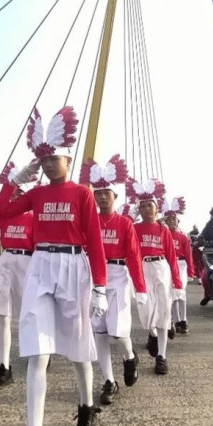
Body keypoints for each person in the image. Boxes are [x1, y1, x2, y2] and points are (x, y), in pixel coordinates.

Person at [0, 106, 106, 426]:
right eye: (43, 160)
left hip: (73, 266)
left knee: (78, 346)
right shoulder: (37, 194)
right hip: (40, 265)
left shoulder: (82, 194)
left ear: (68, 160)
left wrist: (99, 286)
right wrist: (12, 181)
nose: (48, 164)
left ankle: (86, 408)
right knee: (37, 352)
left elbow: (95, 242)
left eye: (54, 158)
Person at [80, 154, 145, 405]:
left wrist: (140, 287)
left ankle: (129, 357)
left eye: (107, 192)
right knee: (99, 332)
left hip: (118, 276)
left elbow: (133, 255)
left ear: (115, 196)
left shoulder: (124, 223)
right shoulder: (90, 222)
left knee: (118, 332)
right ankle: (109, 381)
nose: (103, 196)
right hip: (95, 278)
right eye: (98, 192)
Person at [0, 161, 36, 390]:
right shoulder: (4, 215)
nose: (13, 198)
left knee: (30, 313)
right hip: (7, 259)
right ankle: (4, 366)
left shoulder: (33, 216)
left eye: (18, 194)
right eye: (12, 194)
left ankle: (38, 353)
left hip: (28, 261)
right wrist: (7, 185)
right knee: (3, 314)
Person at [127, 178, 183, 375]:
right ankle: (151, 333)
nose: (147, 210)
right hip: (142, 269)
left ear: (156, 208)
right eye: (143, 207)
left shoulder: (163, 229)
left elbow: (171, 256)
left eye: (150, 206)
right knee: (146, 311)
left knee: (164, 311)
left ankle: (162, 357)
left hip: (161, 268)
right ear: (139, 210)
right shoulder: (134, 229)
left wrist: (177, 282)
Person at [162, 197, 193, 335]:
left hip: (180, 265)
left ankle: (184, 319)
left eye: (174, 219)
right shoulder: (163, 234)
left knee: (180, 292)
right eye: (169, 219)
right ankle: (177, 320)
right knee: (172, 294)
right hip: (167, 265)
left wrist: (191, 271)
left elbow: (188, 255)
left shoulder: (183, 237)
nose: (172, 221)